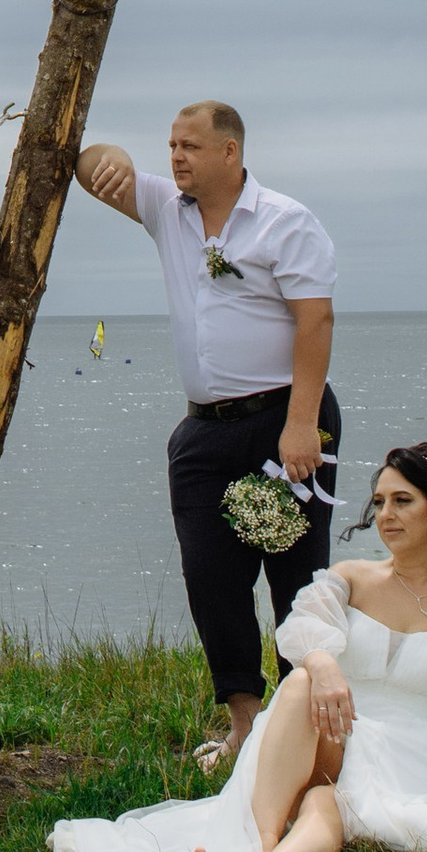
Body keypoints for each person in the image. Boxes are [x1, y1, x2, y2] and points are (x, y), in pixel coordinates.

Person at [49, 443, 427, 852]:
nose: (385, 516)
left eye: (402, 501)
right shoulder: (353, 577)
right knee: (302, 681)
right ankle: (260, 844)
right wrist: (324, 662)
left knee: (325, 803)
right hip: (337, 732)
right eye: (378, 502)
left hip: (413, 760)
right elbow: (302, 622)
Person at [74, 100, 341, 767]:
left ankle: (302, 720)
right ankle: (246, 724)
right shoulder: (168, 209)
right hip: (203, 432)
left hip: (286, 422)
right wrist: (119, 164)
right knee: (211, 577)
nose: (176, 158)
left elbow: (316, 323)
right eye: (169, 146)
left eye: (189, 146)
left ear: (230, 152)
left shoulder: (284, 221)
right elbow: (85, 164)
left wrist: (302, 425)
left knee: (295, 577)